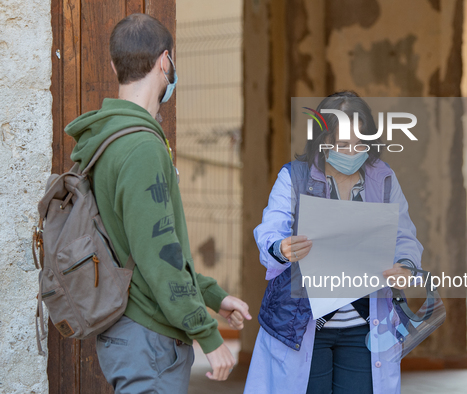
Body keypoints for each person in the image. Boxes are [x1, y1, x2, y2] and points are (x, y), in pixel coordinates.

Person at [64, 13, 251, 393]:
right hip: (147, 336)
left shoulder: (107, 137)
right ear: (165, 62)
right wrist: (208, 335)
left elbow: (145, 244)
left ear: (116, 65)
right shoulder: (141, 147)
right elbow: (157, 255)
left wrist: (213, 295)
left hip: (133, 333)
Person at [244, 91, 424, 394]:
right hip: (302, 323)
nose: (352, 152)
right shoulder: (294, 176)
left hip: (364, 325)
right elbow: (270, 230)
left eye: (360, 144)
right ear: (322, 141)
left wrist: (405, 266)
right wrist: (282, 247)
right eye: (342, 145)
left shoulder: (383, 178)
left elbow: (404, 236)